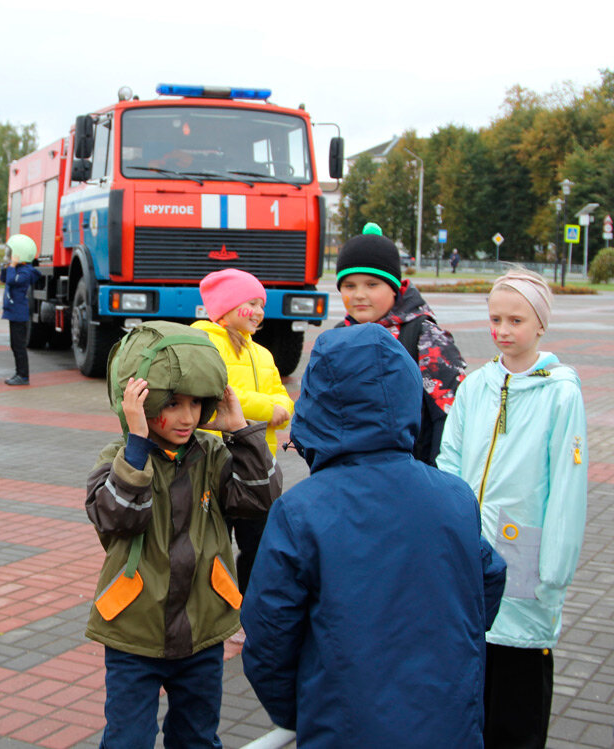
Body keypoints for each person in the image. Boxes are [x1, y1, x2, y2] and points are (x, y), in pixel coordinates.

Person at [241, 323, 507, 748]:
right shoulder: (454, 496)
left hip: (345, 726)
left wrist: (300, 709)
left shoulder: (301, 510)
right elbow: (488, 578)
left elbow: (269, 636)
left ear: (317, 403)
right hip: (448, 722)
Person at [86, 321, 282, 748]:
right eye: (172, 403)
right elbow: (117, 519)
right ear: (138, 402)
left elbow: (261, 499)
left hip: (202, 629)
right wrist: (137, 447)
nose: (188, 416)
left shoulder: (213, 454)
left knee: (196, 737)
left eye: (197, 403)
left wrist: (240, 432)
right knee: (128, 739)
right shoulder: (118, 459)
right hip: (134, 629)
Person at [438, 268, 588, 749]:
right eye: (495, 319)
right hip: (470, 555)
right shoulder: (476, 385)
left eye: (516, 320)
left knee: (518, 693)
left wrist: (555, 572)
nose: (502, 331)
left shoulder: (560, 392)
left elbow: (567, 487)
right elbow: (449, 462)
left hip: (528, 562)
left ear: (541, 323)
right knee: (473, 691)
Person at [191, 268, 292, 603]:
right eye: (251, 303)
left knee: (259, 543)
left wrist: (281, 407)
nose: (259, 311)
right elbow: (219, 393)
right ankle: (211, 606)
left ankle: (247, 604)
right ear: (226, 307)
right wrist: (268, 409)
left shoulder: (261, 353)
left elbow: (282, 396)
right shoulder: (205, 344)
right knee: (212, 541)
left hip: (256, 466)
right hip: (216, 465)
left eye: (261, 304)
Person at [335, 222, 466, 464]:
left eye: (372, 284)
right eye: (349, 285)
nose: (359, 295)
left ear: (394, 288)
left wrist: (437, 475)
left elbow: (450, 416)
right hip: (348, 472)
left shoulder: (424, 336)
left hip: (411, 471)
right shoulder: (337, 336)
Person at [0, 233, 41, 386]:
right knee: (14, 345)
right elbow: (4, 279)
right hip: (13, 312)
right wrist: (6, 266)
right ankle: (19, 373)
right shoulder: (17, 269)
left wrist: (11, 267)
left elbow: (12, 280)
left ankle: (23, 376)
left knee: (19, 346)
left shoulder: (26, 271)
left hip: (19, 313)